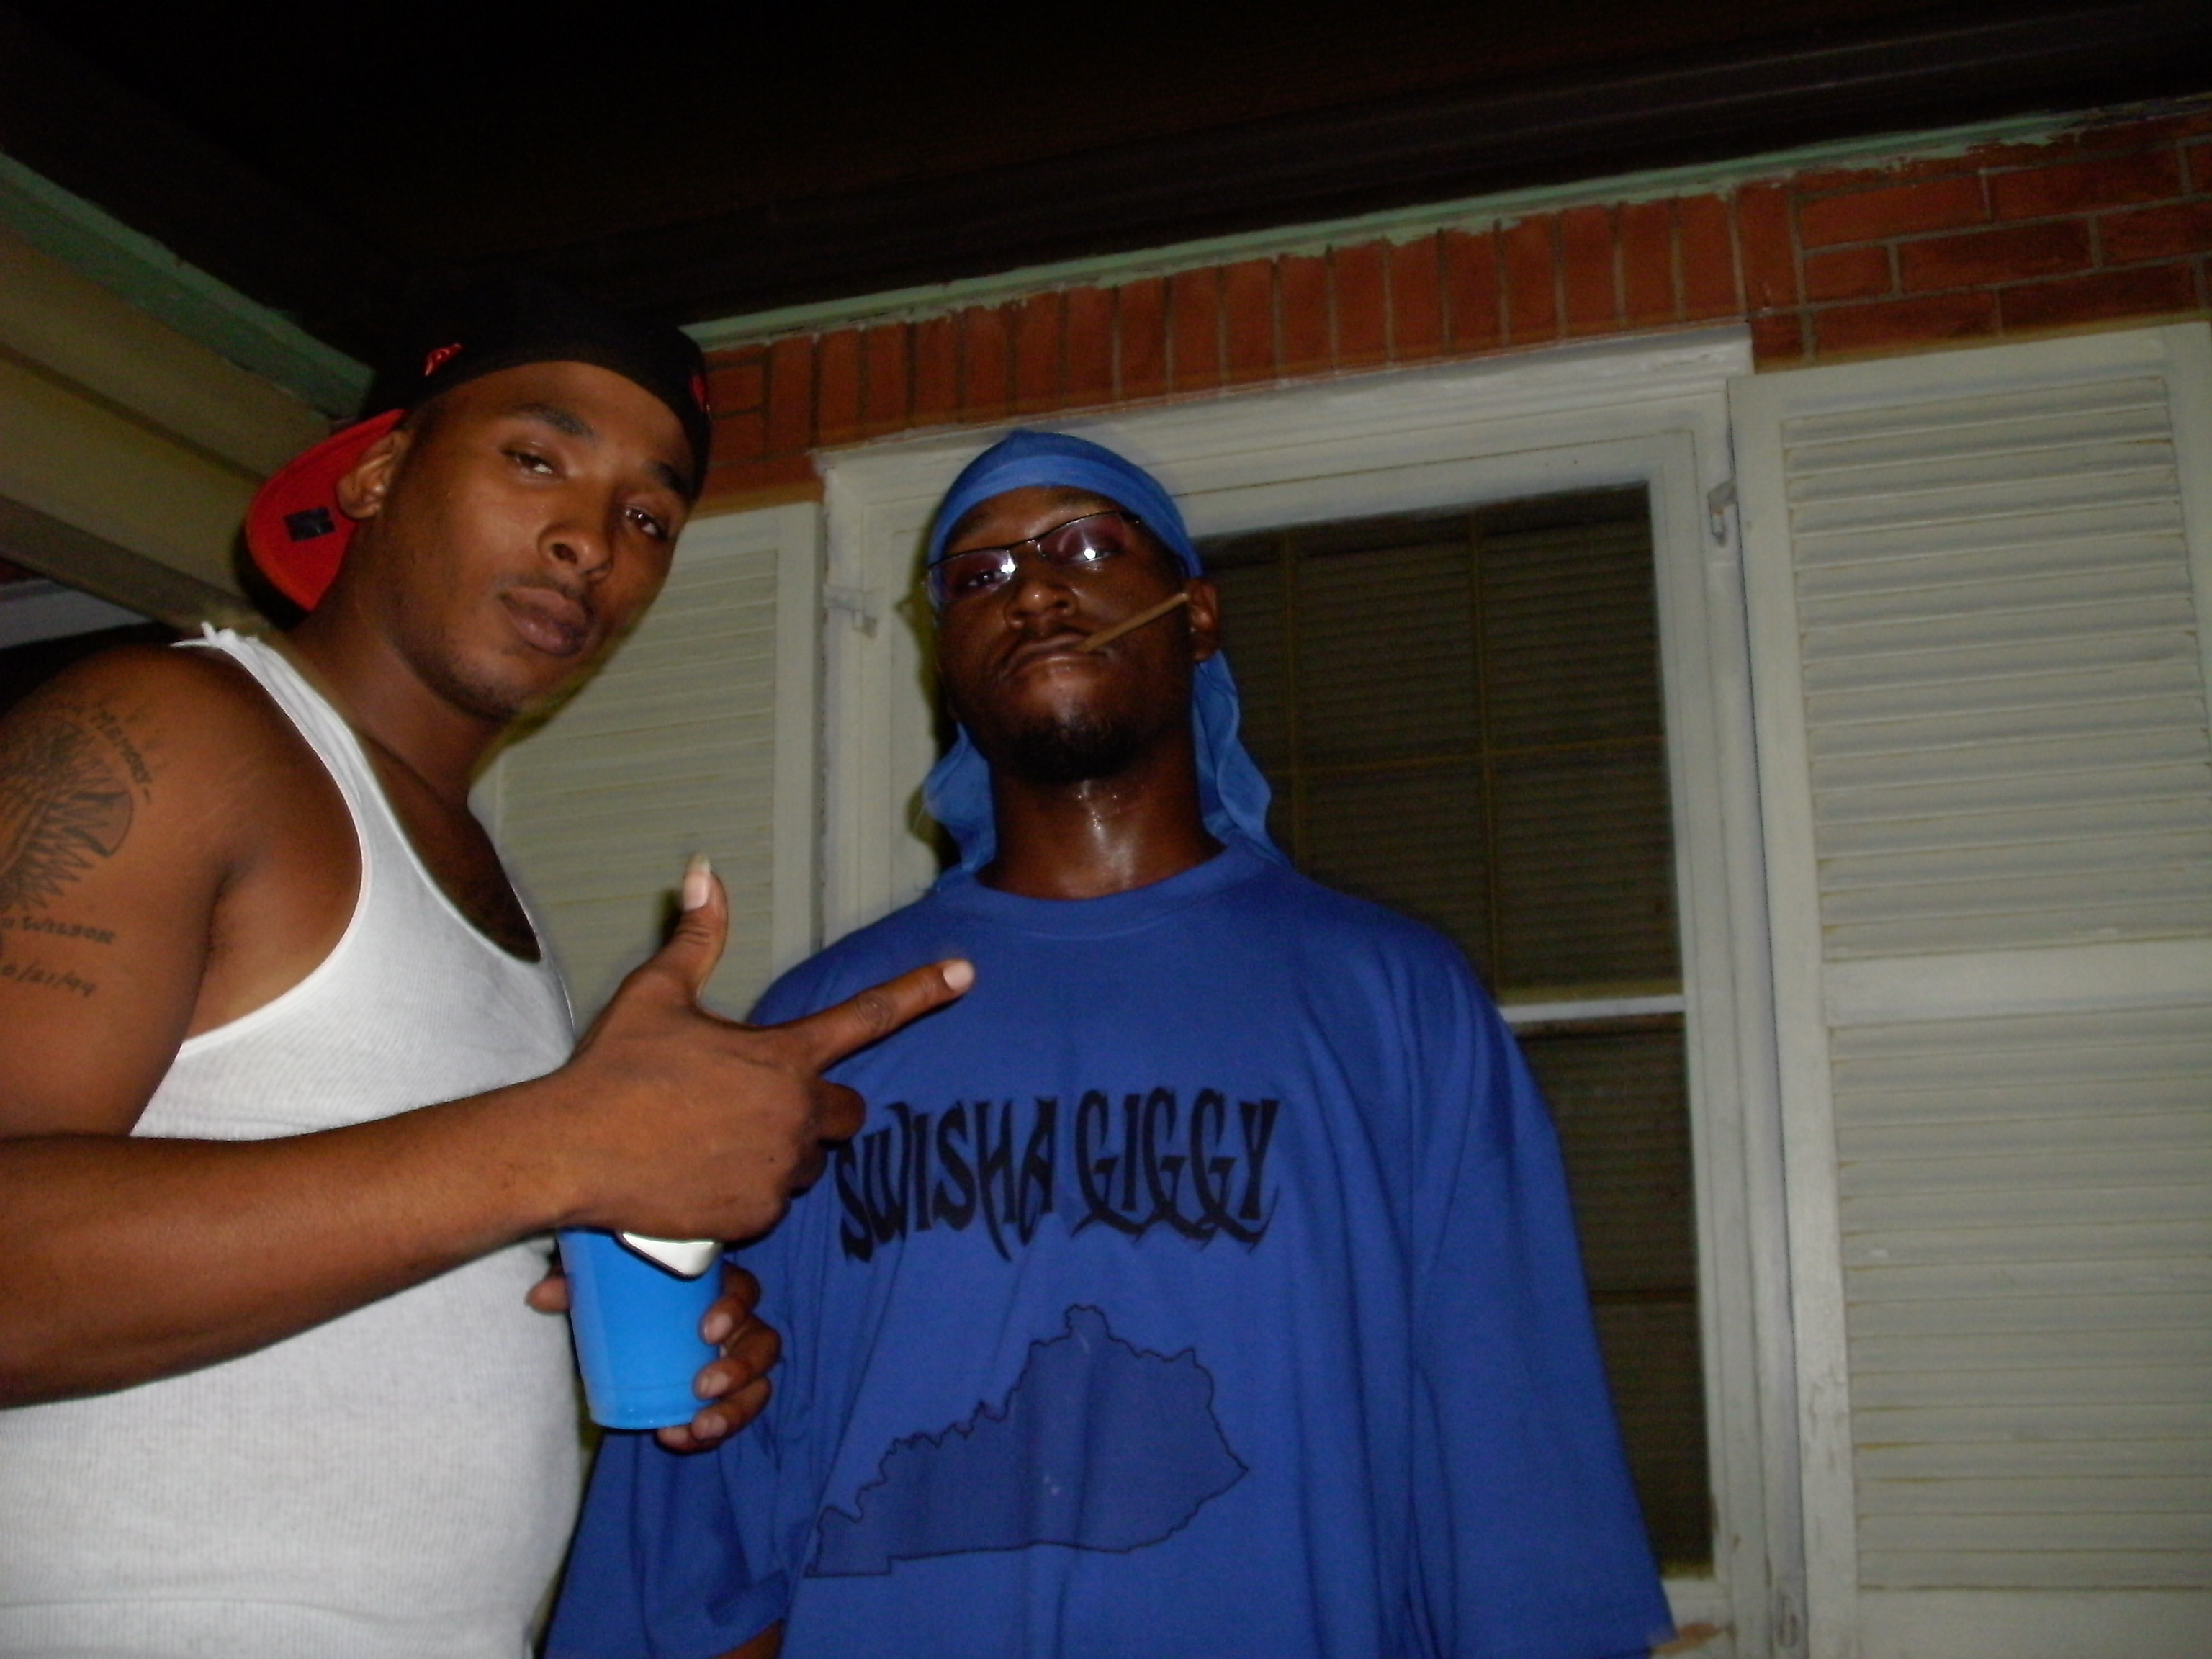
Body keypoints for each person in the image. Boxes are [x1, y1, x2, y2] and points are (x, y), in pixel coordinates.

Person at [549, 430, 1674, 1658]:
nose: (1033, 590)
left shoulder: (1394, 1003)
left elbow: (1513, 1463)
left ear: (1196, 616)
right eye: (977, 576)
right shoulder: (823, 1027)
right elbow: (691, 1508)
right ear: (947, 664)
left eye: (1085, 547)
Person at [0, 278, 969, 1659]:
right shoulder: (168, 729)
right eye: (535, 459)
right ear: (379, 473)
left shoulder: (492, 892)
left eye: (650, 517)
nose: (591, 541)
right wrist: (558, 1149)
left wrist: (635, 1293)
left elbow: (386, 1242)